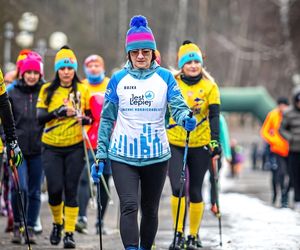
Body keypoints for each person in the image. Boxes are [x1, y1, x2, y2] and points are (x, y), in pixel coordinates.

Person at [91, 15, 196, 250]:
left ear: (153, 53)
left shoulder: (165, 77)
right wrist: (101, 154)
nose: (140, 56)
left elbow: (178, 107)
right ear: (128, 53)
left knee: (150, 210)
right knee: (129, 206)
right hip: (122, 155)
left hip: (157, 156)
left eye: (146, 51)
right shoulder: (118, 79)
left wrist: (186, 119)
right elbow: (107, 119)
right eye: (135, 51)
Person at [166, 40, 221, 249]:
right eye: (188, 62)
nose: (193, 66)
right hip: (175, 143)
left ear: (201, 64)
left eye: (196, 62)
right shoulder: (172, 83)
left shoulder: (210, 87)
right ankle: (178, 233)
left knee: (196, 191)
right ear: (182, 65)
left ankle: (193, 235)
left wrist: (215, 141)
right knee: (178, 188)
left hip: (200, 144)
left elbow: (215, 117)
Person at [36, 46, 92, 248]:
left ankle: (69, 233)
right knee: (54, 190)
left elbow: (91, 117)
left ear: (75, 69)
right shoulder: (47, 90)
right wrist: (59, 112)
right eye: (62, 68)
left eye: (70, 68)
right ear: (57, 70)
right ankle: (57, 223)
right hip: (51, 146)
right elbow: (40, 118)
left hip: (75, 146)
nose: (66, 72)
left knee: (71, 189)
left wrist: (84, 119)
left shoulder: (83, 89)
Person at [8, 53, 45, 244]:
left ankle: (30, 227)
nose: (31, 76)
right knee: (19, 187)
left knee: (34, 190)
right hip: (18, 149)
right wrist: (8, 142)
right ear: (22, 73)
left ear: (40, 74)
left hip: (40, 150)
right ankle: (18, 224)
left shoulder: (46, 91)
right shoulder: (11, 92)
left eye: (35, 72)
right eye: (28, 72)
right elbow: (5, 120)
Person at [76, 54, 110, 234]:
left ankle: (100, 221)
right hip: (86, 140)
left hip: (108, 141)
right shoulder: (81, 86)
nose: (94, 68)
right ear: (85, 69)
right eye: (90, 65)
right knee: (83, 178)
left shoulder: (111, 83)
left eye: (97, 65)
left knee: (104, 181)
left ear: (103, 67)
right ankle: (82, 217)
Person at [260, 97, 290, 207]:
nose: (282, 108)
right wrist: (274, 141)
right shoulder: (273, 115)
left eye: (284, 105)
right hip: (277, 150)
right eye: (280, 105)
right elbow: (264, 131)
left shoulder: (291, 114)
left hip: (292, 150)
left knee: (291, 175)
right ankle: (279, 195)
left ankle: (285, 194)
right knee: (279, 173)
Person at [280, 87, 300, 212]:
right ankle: (297, 200)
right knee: (295, 176)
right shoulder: (288, 113)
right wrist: (290, 138)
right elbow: (281, 129)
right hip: (294, 150)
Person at [209, 113, 231, 215]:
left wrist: (227, 153)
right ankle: (192, 201)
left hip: (214, 151)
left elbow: (224, 135)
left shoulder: (219, 117)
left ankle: (214, 203)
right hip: (199, 149)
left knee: (214, 178)